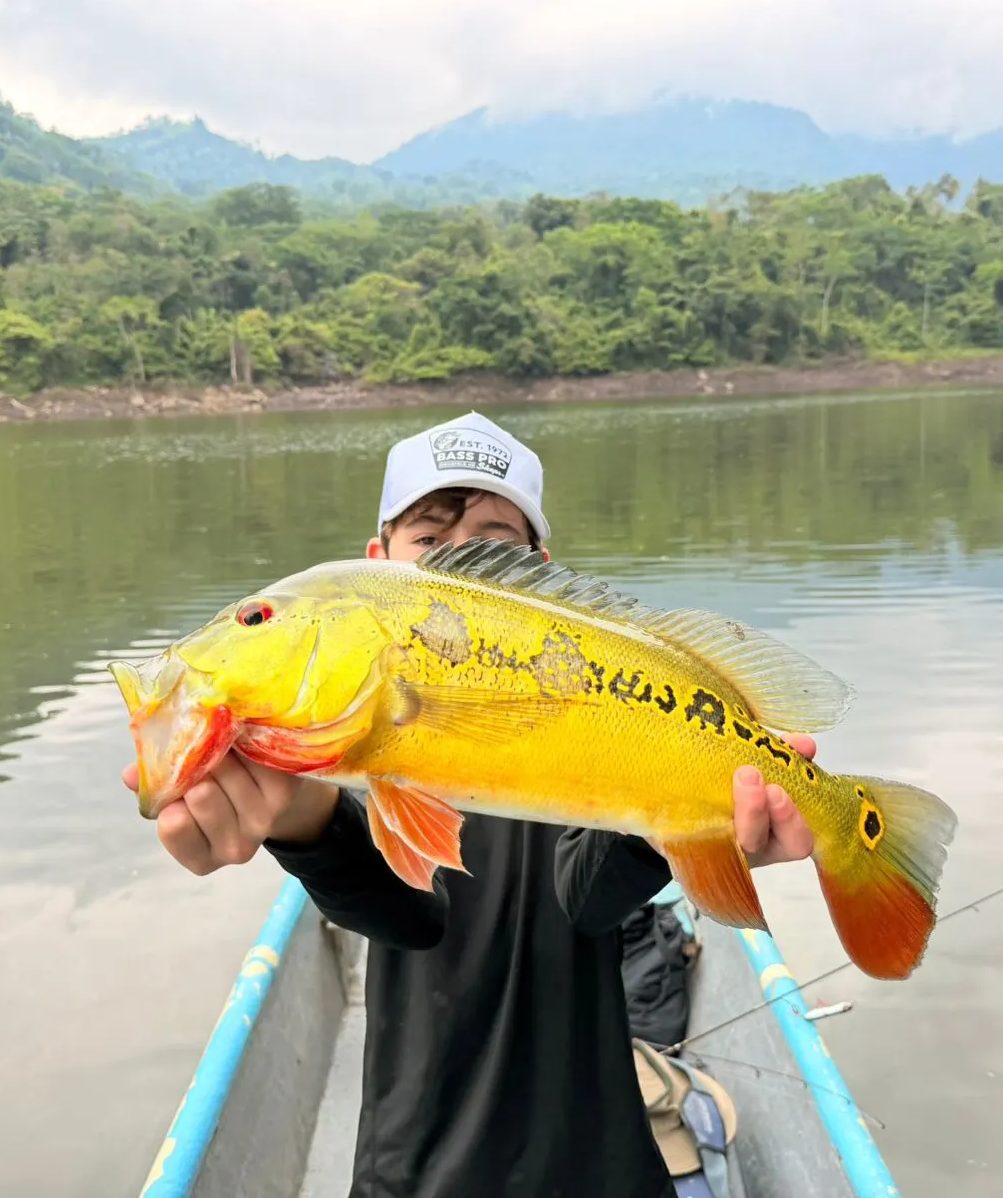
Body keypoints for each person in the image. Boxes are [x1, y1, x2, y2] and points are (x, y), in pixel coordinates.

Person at [122, 411, 818, 1198]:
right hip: (419, 1173)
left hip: (601, 1169)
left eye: (490, 539)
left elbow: (586, 896)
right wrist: (302, 825)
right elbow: (406, 910)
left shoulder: (583, 710)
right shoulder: (366, 763)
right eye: (428, 538)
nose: (455, 558)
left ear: (538, 570)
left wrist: (682, 823)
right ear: (376, 565)